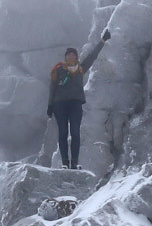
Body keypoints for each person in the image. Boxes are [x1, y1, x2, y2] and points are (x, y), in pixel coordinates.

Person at [45, 30, 110, 168]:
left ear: (76, 57)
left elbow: (92, 56)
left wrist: (102, 41)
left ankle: (74, 163)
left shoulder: (80, 68)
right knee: (63, 133)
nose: (71, 56)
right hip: (59, 104)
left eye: (73, 54)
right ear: (66, 57)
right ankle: (64, 163)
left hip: (75, 104)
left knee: (75, 133)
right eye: (69, 55)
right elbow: (53, 87)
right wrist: (50, 105)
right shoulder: (58, 70)